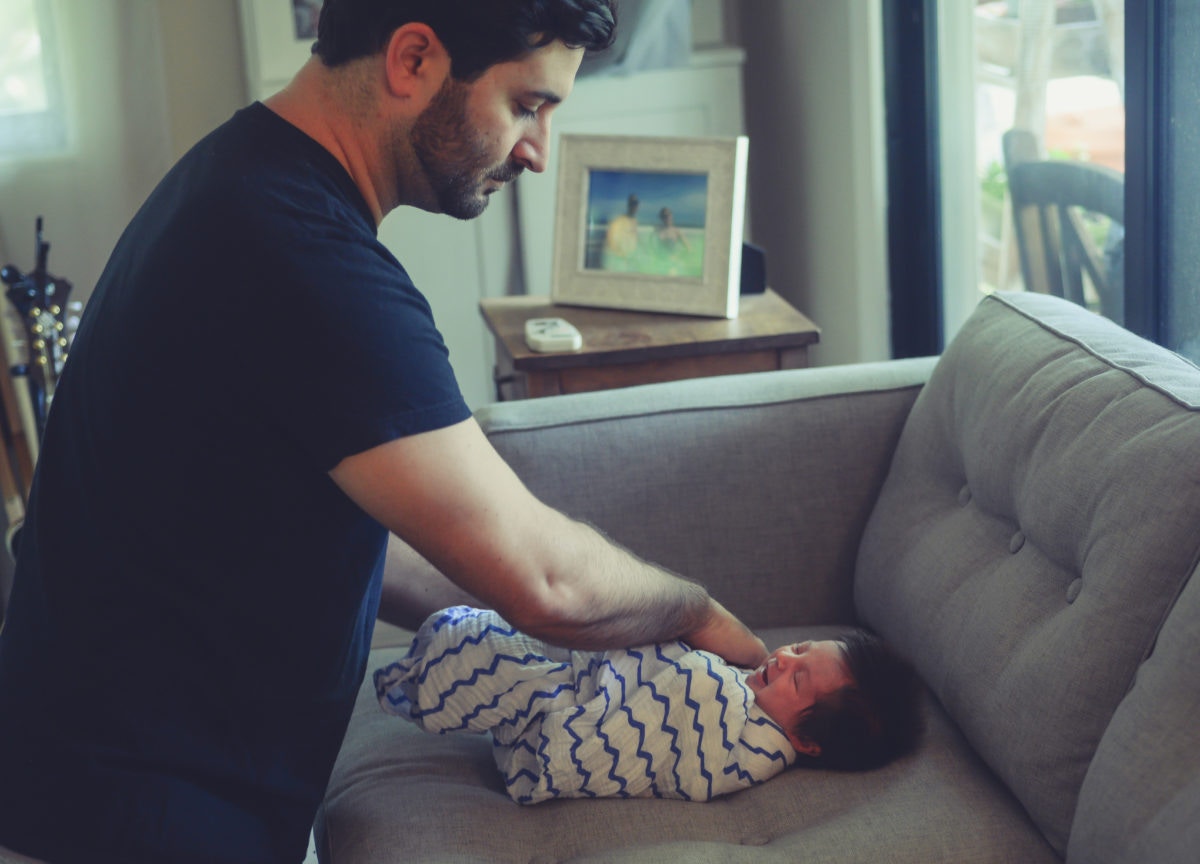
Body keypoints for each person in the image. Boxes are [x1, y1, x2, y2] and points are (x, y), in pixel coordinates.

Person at [0, 2, 770, 862]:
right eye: (527, 105)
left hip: (107, 787)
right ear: (412, 60)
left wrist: (594, 646)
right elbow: (548, 580)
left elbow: (394, 544)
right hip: (133, 820)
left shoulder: (239, 180)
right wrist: (691, 611)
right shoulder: (301, 256)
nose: (538, 152)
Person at [377, 606, 924, 803]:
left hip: (565, 736)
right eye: (799, 648)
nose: (781, 659)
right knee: (497, 644)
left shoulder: (757, 749)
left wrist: (691, 655)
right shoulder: (760, 705)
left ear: (806, 740)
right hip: (586, 690)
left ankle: (420, 678)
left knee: (487, 653)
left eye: (799, 680)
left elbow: (689, 699)